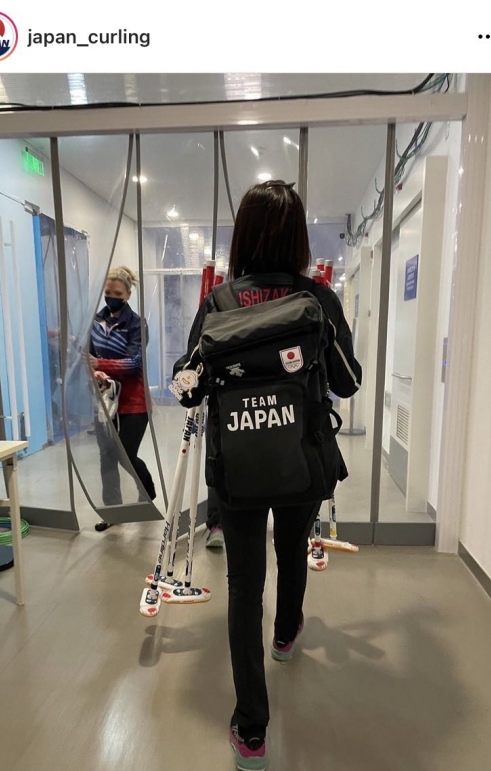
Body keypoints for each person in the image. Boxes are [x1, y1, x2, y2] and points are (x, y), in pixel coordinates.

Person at [173, 181, 361, 770]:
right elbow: (349, 381)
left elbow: (185, 387)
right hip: (302, 459)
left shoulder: (219, 302)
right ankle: (285, 635)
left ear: (244, 238)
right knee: (292, 549)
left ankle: (251, 729)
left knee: (244, 584)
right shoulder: (318, 298)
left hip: (237, 468)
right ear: (298, 238)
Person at [88, 266, 156, 532]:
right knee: (107, 455)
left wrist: (101, 363)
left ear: (128, 294)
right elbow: (87, 357)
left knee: (126, 453)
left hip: (133, 402)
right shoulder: (95, 322)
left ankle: (147, 492)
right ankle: (112, 510)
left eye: (117, 293)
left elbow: (135, 362)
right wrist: (95, 371)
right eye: (108, 292)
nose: (111, 297)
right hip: (104, 401)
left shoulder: (137, 324)